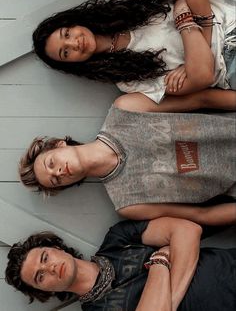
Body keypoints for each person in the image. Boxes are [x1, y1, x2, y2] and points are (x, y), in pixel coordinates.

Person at [32, 0, 236, 113]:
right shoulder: (127, 79)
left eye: (67, 33)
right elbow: (202, 76)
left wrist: (202, 43)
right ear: (72, 64)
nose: (74, 43)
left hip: (230, 16)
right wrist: (183, 19)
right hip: (230, 69)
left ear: (72, 23)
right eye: (65, 53)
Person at [19, 106, 236, 226]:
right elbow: (201, 215)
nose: (58, 172)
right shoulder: (127, 203)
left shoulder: (123, 111)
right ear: (67, 184)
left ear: (59, 145)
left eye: (51, 163)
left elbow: (200, 98)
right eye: (56, 180)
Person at [5, 217, 236, 310]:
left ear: (56, 249)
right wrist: (160, 260)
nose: (50, 268)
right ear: (44, 291)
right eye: (40, 276)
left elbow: (187, 230)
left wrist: (167, 304)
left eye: (45, 258)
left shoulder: (118, 238)